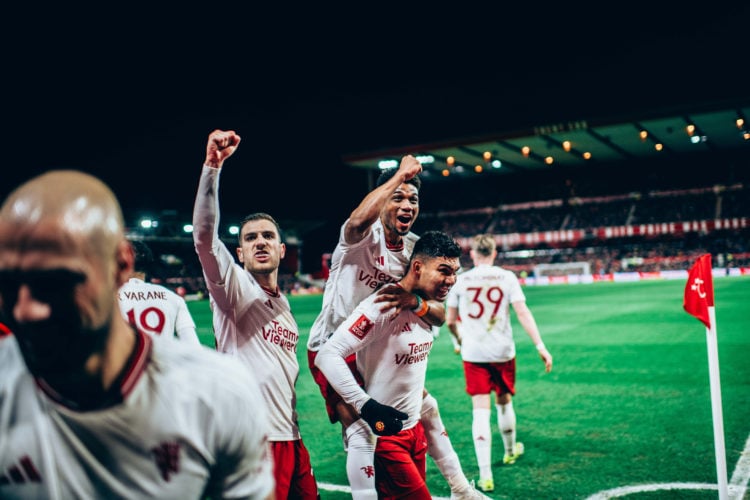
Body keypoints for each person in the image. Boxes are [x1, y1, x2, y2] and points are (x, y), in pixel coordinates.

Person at [0, 170, 274, 499]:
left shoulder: (219, 395)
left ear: (121, 265)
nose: (25, 309)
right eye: (8, 283)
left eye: (56, 281)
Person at [307, 157, 485, 499]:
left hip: (379, 348)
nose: (406, 205)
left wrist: (416, 303)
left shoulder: (412, 251)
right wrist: (401, 175)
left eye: (413, 200)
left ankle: (462, 490)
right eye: (398, 197)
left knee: (426, 408)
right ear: (383, 197)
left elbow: (437, 308)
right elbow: (359, 218)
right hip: (336, 346)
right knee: (362, 429)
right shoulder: (360, 237)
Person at [192, 129, 319, 500]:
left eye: (267, 236)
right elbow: (203, 238)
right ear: (241, 254)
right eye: (250, 238)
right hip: (255, 441)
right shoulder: (234, 291)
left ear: (282, 250)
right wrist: (212, 168)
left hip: (292, 439)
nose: (260, 241)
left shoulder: (286, 309)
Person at [315, 230, 462, 499]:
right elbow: (327, 355)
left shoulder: (424, 305)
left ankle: (462, 489)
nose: (451, 280)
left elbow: (440, 317)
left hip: (414, 430)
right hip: (387, 436)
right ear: (417, 267)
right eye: (444, 271)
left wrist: (417, 302)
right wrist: (366, 406)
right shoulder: (384, 304)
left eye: (455, 272)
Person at [446, 233, 553, 493]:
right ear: (494, 253)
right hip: (502, 351)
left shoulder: (460, 280)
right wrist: (540, 345)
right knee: (504, 400)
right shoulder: (506, 277)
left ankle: (485, 476)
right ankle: (509, 451)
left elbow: (450, 320)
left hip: (474, 353)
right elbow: (522, 312)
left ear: (472, 254)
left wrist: (459, 341)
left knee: (480, 410)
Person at [118, 239, 200, 345]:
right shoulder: (173, 298)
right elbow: (193, 346)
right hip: (162, 360)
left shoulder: (108, 299)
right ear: (149, 265)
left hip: (129, 361)